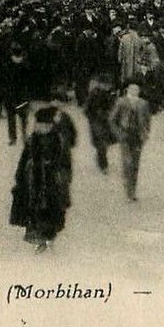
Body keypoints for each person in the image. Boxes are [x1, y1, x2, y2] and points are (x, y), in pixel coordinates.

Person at [10, 106, 73, 252]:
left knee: (52, 209)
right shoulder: (33, 139)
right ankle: (41, 240)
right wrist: (20, 176)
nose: (41, 128)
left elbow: (65, 161)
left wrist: (64, 177)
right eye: (39, 124)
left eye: (45, 125)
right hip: (34, 180)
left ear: (50, 125)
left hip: (53, 181)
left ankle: (49, 237)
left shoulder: (59, 139)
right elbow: (24, 158)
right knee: (35, 210)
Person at [110, 82, 151, 201]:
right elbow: (112, 119)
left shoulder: (143, 103)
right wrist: (118, 133)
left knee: (135, 164)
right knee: (127, 162)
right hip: (125, 135)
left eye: (136, 90)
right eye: (132, 90)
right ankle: (128, 189)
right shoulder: (121, 102)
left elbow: (147, 120)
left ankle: (132, 190)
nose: (134, 92)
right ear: (127, 91)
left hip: (137, 136)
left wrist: (145, 133)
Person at [84, 73, 116, 172]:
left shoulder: (111, 94)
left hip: (107, 121)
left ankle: (101, 158)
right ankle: (103, 165)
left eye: (108, 84)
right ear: (100, 84)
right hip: (97, 121)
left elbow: (114, 106)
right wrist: (93, 117)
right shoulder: (94, 94)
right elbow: (87, 109)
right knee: (101, 142)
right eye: (105, 84)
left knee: (105, 142)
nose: (107, 86)